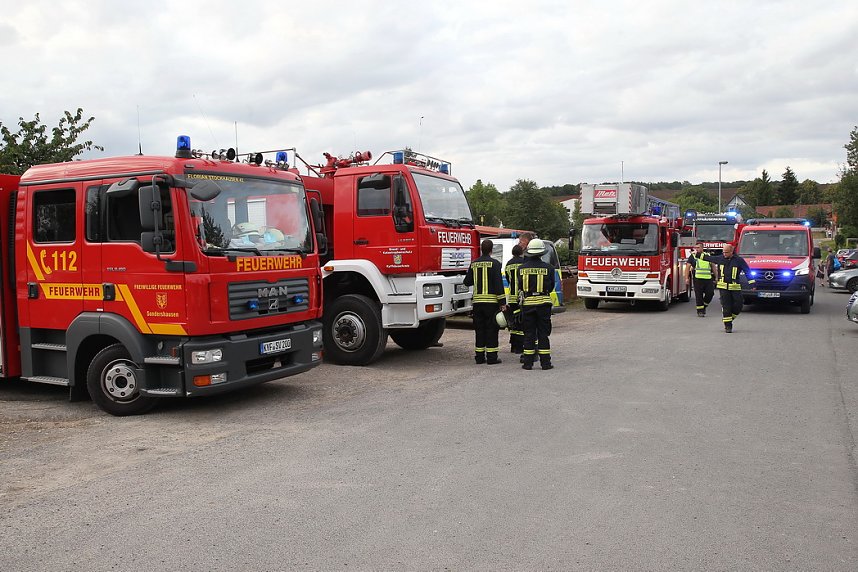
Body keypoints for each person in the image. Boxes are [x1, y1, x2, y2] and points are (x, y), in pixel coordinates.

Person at [463, 239, 506, 365]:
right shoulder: (496, 264)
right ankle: (492, 358)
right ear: (492, 250)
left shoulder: (474, 264)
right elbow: (499, 285)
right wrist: (502, 302)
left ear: (481, 249)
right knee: (492, 330)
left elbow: (467, 282)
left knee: (479, 330)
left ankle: (479, 357)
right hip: (491, 303)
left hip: (477, 304)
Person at [516, 238, 555, 370]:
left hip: (527, 305)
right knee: (543, 334)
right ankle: (546, 363)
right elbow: (551, 287)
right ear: (541, 253)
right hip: (544, 304)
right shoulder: (549, 268)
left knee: (529, 334)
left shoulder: (521, 269)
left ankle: (528, 363)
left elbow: (520, 286)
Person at [712, 243, 755, 333]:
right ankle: (728, 326)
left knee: (738, 305)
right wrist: (698, 254)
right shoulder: (720, 258)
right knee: (726, 306)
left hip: (735, 287)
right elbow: (708, 258)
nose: (724, 254)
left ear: (732, 252)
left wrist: (752, 284)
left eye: (726, 252)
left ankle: (728, 319)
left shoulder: (739, 260)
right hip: (723, 287)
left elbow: (747, 271)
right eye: (723, 252)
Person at [505, 244, 526, 354]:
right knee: (521, 322)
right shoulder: (524, 263)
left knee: (512, 321)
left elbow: (508, 279)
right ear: (521, 252)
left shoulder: (508, 264)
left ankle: (513, 346)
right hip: (521, 297)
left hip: (512, 297)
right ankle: (520, 346)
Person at [685, 241, 715, 317]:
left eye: (698, 247)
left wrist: (717, 277)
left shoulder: (707, 256)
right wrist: (686, 278)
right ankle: (700, 311)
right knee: (699, 296)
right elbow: (687, 267)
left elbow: (713, 267)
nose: (697, 249)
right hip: (697, 279)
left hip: (708, 279)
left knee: (710, 294)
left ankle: (704, 306)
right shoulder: (693, 256)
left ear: (702, 248)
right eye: (696, 248)